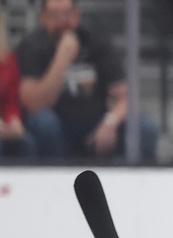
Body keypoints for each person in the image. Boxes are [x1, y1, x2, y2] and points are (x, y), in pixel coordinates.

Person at [16, 0, 159, 160]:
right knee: (44, 122)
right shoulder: (31, 46)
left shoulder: (95, 40)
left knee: (145, 126)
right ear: (42, 18)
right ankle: (52, 178)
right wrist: (62, 59)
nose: (62, 21)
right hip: (58, 128)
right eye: (54, 15)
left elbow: (124, 96)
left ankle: (135, 180)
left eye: (67, 14)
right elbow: (32, 104)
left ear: (77, 15)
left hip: (96, 124)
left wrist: (110, 122)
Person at [0, 6, 35, 160]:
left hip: (3, 124)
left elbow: (11, 101)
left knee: (26, 142)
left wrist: (13, 119)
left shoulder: (7, 59)